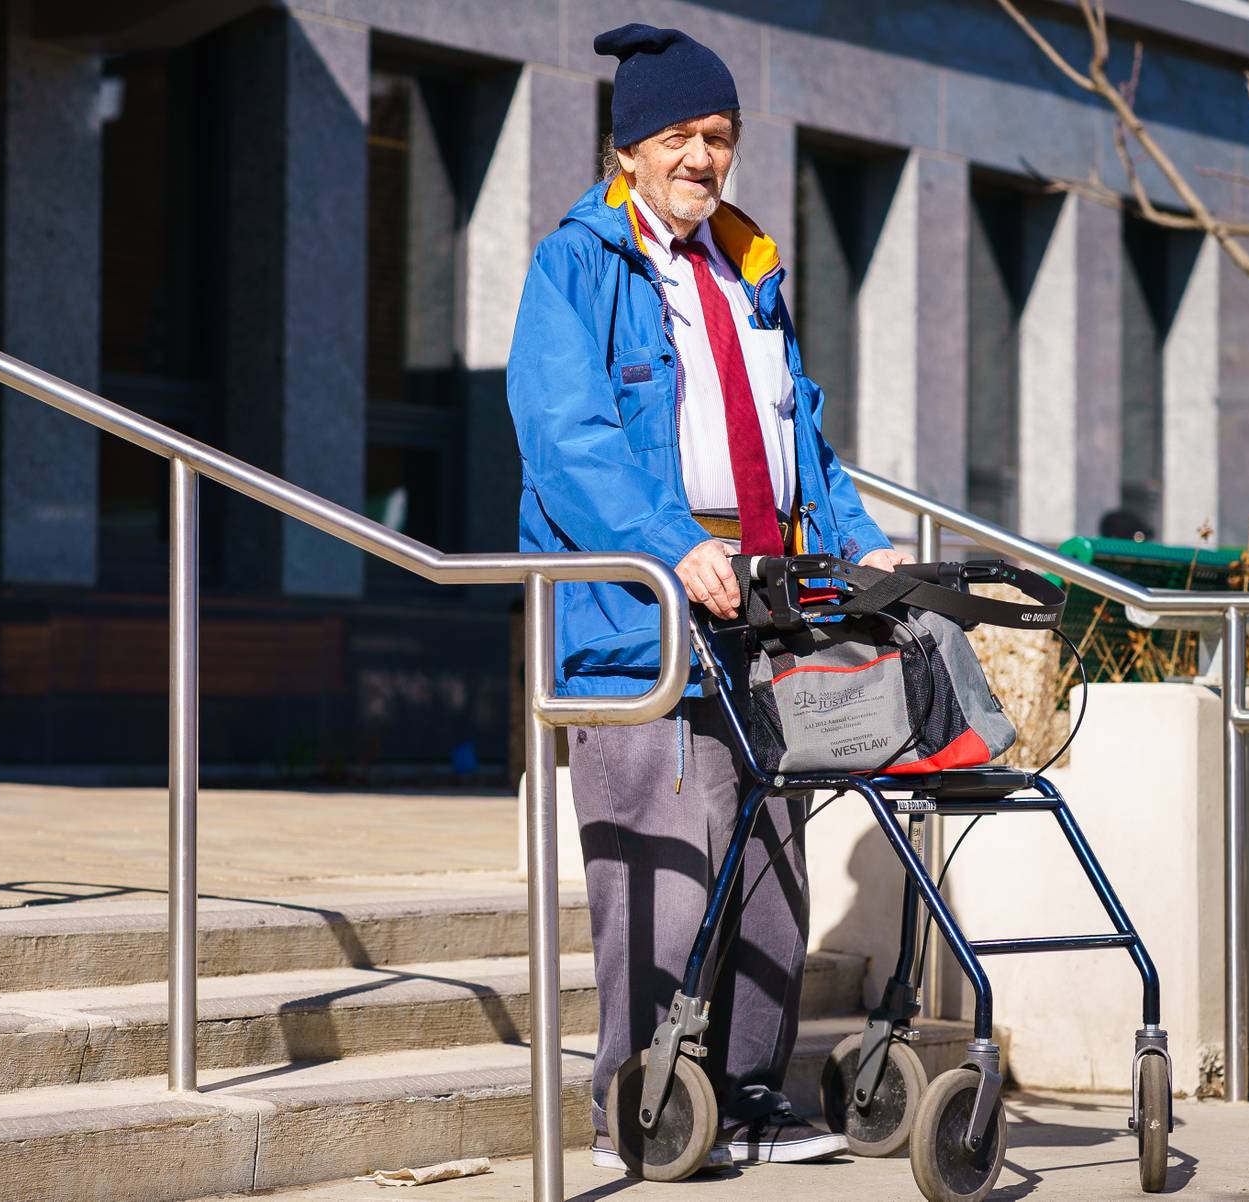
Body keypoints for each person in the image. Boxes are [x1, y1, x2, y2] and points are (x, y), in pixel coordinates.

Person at [505, 22, 910, 1170]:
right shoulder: (574, 265)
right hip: (646, 609)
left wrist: (865, 545)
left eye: (720, 136)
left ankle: (745, 1093)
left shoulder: (750, 273)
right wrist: (668, 543)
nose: (703, 156)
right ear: (627, 145)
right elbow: (567, 441)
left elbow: (804, 449)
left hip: (770, 603)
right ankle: (635, 1103)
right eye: (680, 134)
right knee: (661, 866)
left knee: (772, 857)